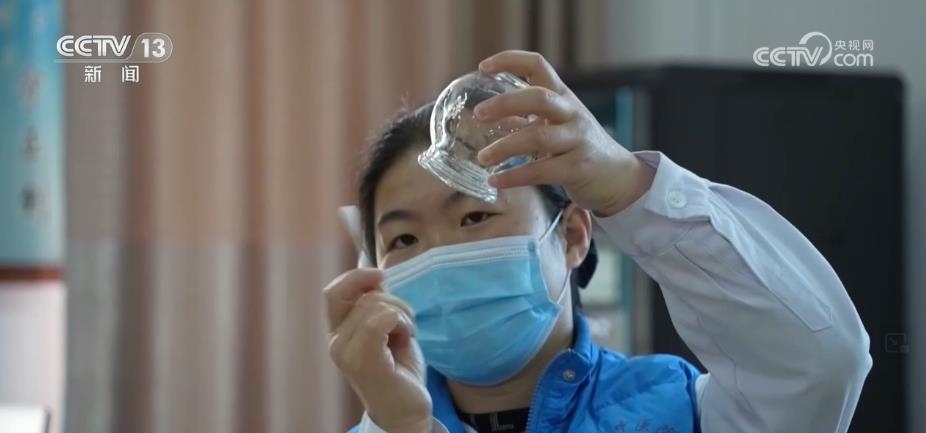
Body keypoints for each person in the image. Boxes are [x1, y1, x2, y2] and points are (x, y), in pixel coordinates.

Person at [324, 50, 871, 433]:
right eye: (404, 238)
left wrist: (627, 184)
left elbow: (819, 365)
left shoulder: (680, 411)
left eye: (474, 217)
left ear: (571, 235)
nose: (440, 254)